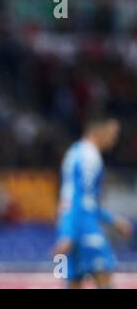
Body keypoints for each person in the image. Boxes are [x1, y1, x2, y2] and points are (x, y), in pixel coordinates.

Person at [53, 116, 133, 288]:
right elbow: (80, 198)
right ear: (99, 131)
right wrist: (69, 233)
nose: (115, 139)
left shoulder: (75, 152)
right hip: (84, 227)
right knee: (104, 276)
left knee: (74, 282)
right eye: (113, 133)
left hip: (72, 222)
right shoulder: (89, 156)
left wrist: (113, 220)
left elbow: (72, 197)